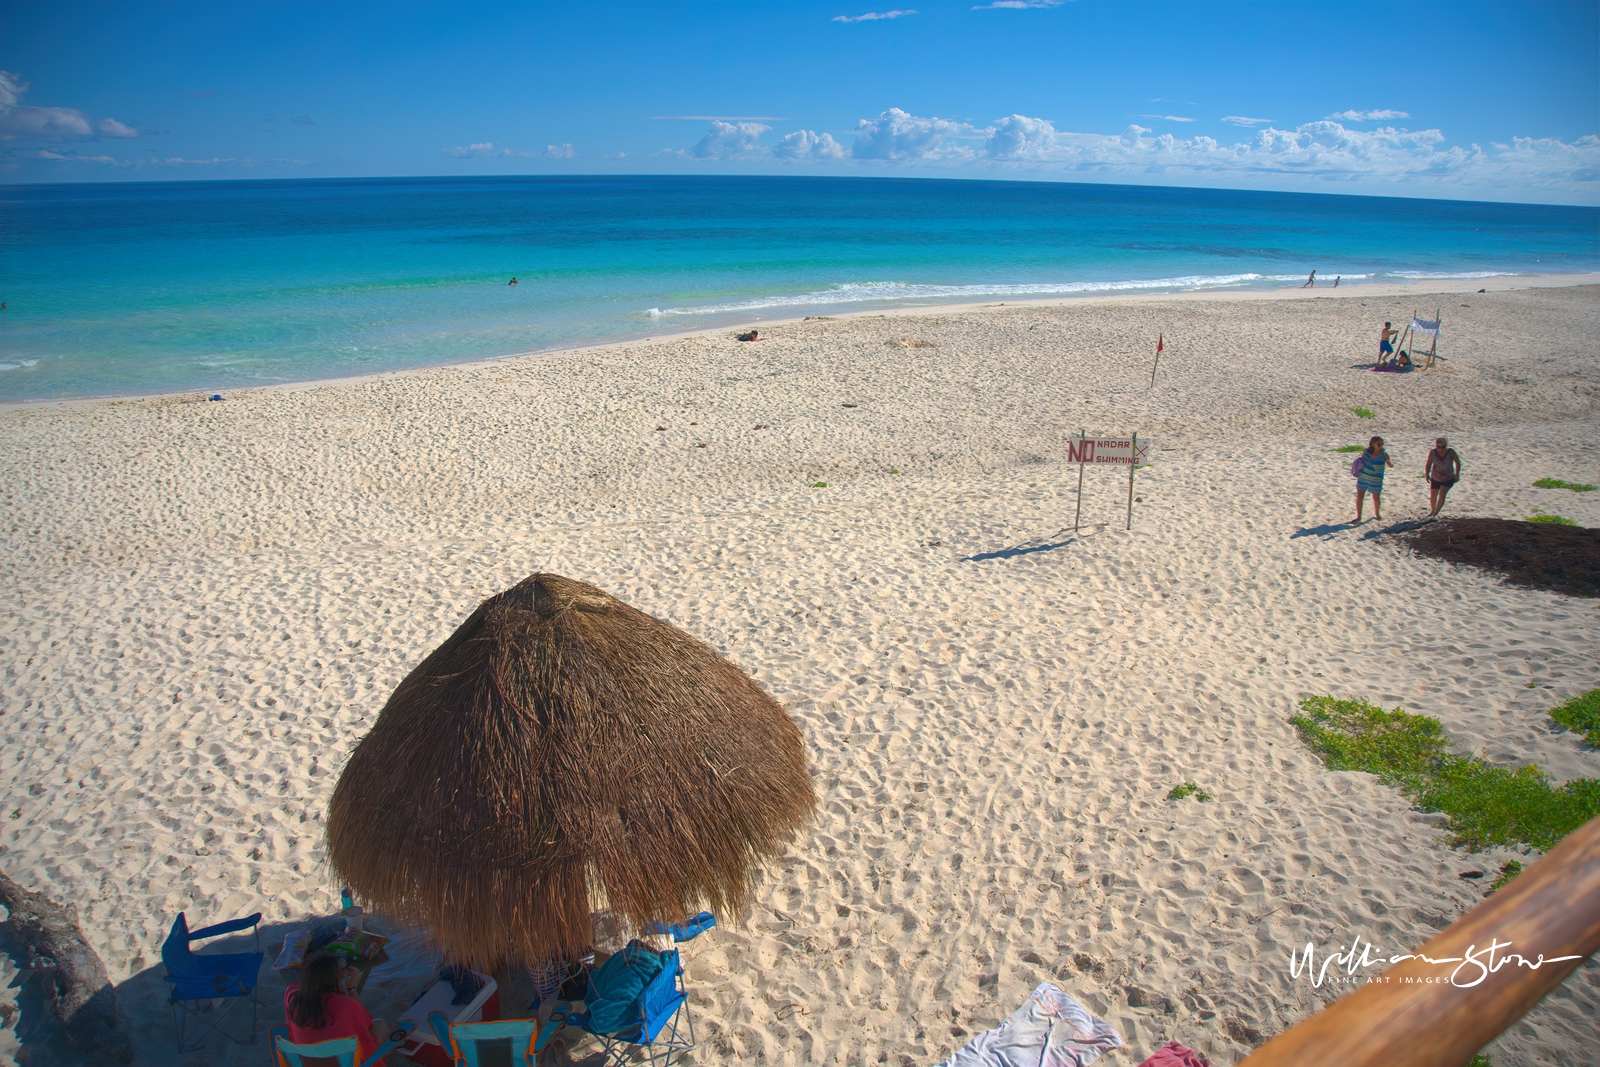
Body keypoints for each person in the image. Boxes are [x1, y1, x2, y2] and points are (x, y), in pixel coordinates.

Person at [284, 955, 388, 1060]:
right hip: (346, 1062)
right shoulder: (345, 1005)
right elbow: (366, 1023)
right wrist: (351, 989)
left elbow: (295, 986)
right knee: (380, 1024)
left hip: (309, 1061)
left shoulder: (293, 997)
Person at [1353, 435, 1388, 522]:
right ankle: (1359, 516)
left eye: (1382, 443)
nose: (1381, 446)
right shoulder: (1366, 452)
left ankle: (1377, 513)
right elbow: (1362, 460)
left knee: (1376, 498)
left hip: (1376, 480)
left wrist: (1390, 464)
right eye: (1379, 444)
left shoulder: (1384, 454)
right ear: (1373, 444)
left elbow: (1388, 462)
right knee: (1360, 497)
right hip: (1363, 477)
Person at [1424, 437, 1460, 518]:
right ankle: (1432, 510)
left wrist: (1457, 475)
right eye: (1438, 447)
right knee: (1433, 494)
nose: (1440, 449)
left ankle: (1436, 512)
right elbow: (1429, 464)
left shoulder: (1451, 452)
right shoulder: (1433, 452)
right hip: (1435, 476)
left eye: (1442, 447)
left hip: (1448, 477)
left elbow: (1458, 463)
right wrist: (1427, 474)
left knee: (1442, 493)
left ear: (1446, 446)